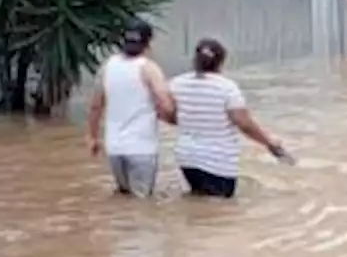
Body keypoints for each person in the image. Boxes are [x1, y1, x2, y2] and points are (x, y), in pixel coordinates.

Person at [169, 39, 285, 198]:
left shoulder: (177, 83)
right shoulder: (227, 88)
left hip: (187, 157)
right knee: (220, 210)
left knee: (198, 201)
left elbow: (166, 111)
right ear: (221, 62)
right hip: (218, 160)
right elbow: (244, 123)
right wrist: (269, 142)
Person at [86, 19, 175, 197]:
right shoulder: (149, 68)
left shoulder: (107, 67)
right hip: (142, 149)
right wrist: (176, 120)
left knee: (124, 197)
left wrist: (93, 137)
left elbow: (96, 106)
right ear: (148, 43)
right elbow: (165, 104)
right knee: (142, 204)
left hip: (115, 149)